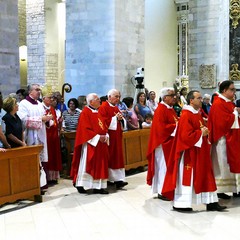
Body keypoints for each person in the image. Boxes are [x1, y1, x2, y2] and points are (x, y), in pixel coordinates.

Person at [162, 90, 226, 212]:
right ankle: (182, 203)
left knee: (206, 174)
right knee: (189, 178)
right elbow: (185, 136)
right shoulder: (186, 114)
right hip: (189, 153)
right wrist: (201, 132)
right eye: (199, 98)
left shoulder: (196, 113)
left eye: (201, 98)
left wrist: (204, 131)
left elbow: (199, 128)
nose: (201, 100)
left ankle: (211, 202)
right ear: (191, 100)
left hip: (200, 150)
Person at [70, 93, 109, 194]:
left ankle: (98, 186)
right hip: (91, 144)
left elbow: (103, 126)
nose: (99, 101)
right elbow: (84, 130)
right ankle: (80, 184)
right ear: (91, 102)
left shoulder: (98, 111)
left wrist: (105, 135)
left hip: (101, 143)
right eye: (97, 99)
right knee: (87, 164)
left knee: (100, 164)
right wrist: (97, 137)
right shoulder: (85, 113)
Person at [17, 83, 53, 192]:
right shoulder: (23, 104)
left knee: (42, 159)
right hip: (30, 136)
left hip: (41, 135)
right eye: (37, 89)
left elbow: (44, 118)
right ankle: (32, 186)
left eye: (39, 90)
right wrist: (41, 119)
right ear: (30, 92)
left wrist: (48, 120)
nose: (39, 91)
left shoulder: (39, 103)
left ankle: (42, 186)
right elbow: (23, 120)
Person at [208, 80, 240, 199]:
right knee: (222, 165)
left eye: (234, 90)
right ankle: (220, 190)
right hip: (222, 140)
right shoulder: (218, 103)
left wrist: (235, 113)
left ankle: (236, 188)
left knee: (233, 163)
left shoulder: (228, 102)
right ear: (224, 90)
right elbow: (221, 123)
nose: (234, 92)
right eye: (232, 89)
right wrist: (235, 114)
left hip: (232, 138)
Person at [146, 87, 178, 201]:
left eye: (174, 95)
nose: (174, 97)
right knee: (163, 168)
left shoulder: (170, 109)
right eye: (172, 95)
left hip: (170, 142)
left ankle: (168, 189)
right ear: (165, 98)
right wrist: (176, 125)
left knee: (167, 167)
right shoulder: (161, 109)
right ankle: (162, 191)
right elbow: (161, 129)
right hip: (162, 143)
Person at [98, 89, 128, 189]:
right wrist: (115, 118)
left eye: (119, 96)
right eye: (116, 96)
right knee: (112, 157)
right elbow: (103, 121)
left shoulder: (115, 107)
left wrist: (120, 118)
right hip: (110, 137)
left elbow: (121, 119)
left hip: (117, 136)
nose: (118, 99)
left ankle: (118, 179)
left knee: (118, 157)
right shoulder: (103, 107)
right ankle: (113, 179)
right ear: (109, 97)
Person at [41, 86, 62, 184]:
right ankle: (47, 177)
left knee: (54, 155)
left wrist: (58, 121)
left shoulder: (52, 108)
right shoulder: (41, 107)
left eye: (52, 98)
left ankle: (53, 177)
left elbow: (54, 121)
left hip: (53, 135)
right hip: (46, 135)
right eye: (49, 97)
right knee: (47, 155)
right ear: (43, 98)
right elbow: (43, 120)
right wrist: (48, 119)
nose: (51, 99)